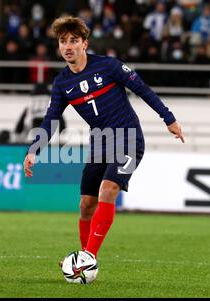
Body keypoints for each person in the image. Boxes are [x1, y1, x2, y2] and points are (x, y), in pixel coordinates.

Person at [23, 16, 184, 271]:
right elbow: (51, 119)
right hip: (100, 143)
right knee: (86, 205)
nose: (68, 47)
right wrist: (34, 150)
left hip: (129, 138)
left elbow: (142, 89)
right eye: (63, 41)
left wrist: (169, 118)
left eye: (73, 41)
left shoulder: (108, 66)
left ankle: (87, 258)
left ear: (84, 43)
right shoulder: (62, 83)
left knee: (108, 190)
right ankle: (84, 257)